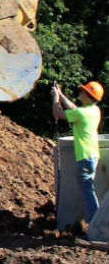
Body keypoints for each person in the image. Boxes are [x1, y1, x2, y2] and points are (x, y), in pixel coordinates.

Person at [51, 81, 104, 222]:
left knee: (87, 191)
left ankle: (94, 223)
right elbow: (74, 109)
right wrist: (61, 95)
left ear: (88, 96)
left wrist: (55, 98)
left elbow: (57, 113)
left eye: (83, 91)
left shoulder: (82, 113)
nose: (80, 92)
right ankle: (95, 221)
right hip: (92, 154)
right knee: (88, 189)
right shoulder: (93, 111)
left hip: (85, 156)